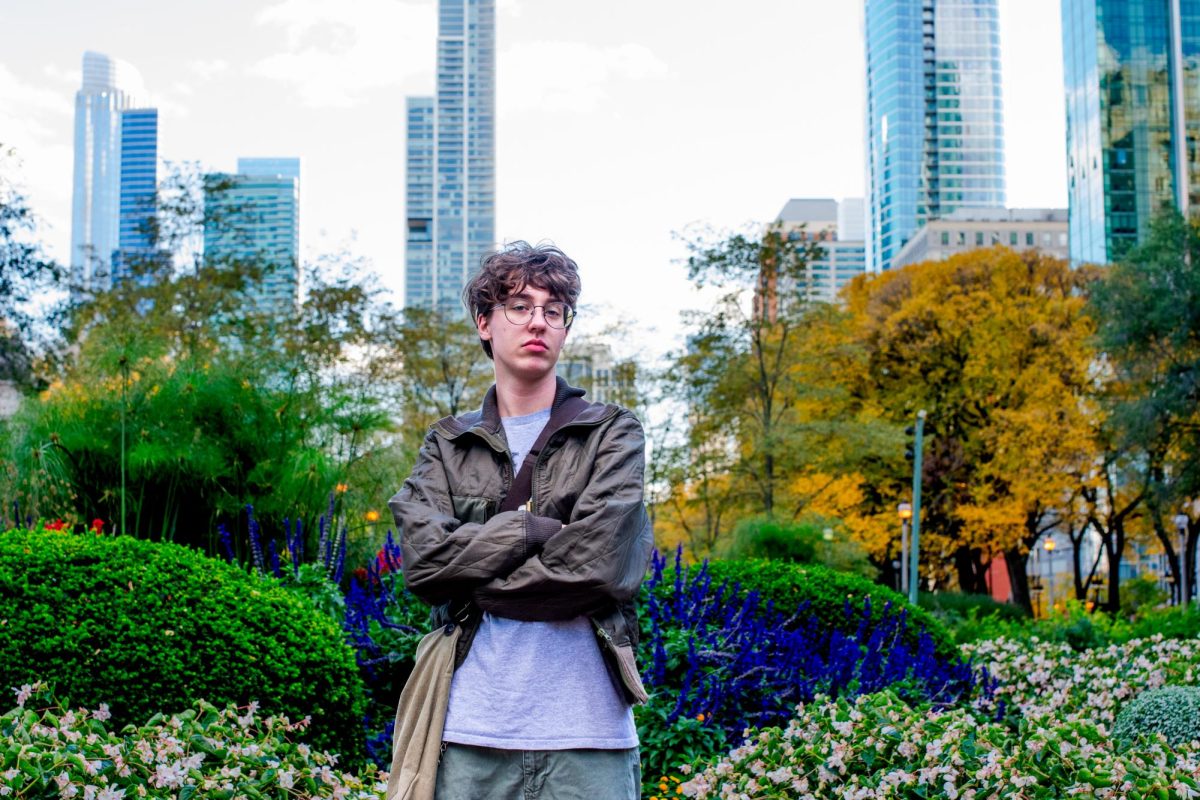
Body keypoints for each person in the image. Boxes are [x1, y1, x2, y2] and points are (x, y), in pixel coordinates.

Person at [388, 241, 653, 800]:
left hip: (589, 740)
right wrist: (532, 531)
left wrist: (475, 572)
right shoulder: (448, 442)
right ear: (485, 323)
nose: (539, 321)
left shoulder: (612, 432)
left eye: (553, 310)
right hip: (469, 735)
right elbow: (424, 563)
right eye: (520, 306)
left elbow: (601, 566)